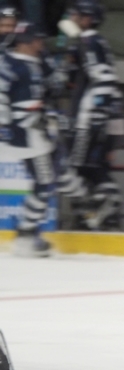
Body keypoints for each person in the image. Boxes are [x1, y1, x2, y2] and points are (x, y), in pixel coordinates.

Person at [57, 0, 124, 230]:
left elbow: (104, 79)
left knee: (75, 167)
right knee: (93, 167)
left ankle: (94, 210)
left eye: (78, 14)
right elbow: (71, 79)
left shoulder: (89, 41)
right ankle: (106, 213)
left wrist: (96, 114)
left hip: (89, 119)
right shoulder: (86, 42)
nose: (73, 18)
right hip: (100, 117)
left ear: (88, 18)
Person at [0, 21, 56, 257]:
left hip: (34, 132)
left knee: (44, 180)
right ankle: (26, 232)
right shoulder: (11, 64)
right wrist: (5, 127)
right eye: (37, 39)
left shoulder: (34, 64)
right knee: (44, 180)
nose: (41, 44)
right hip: (24, 134)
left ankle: (27, 230)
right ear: (27, 42)